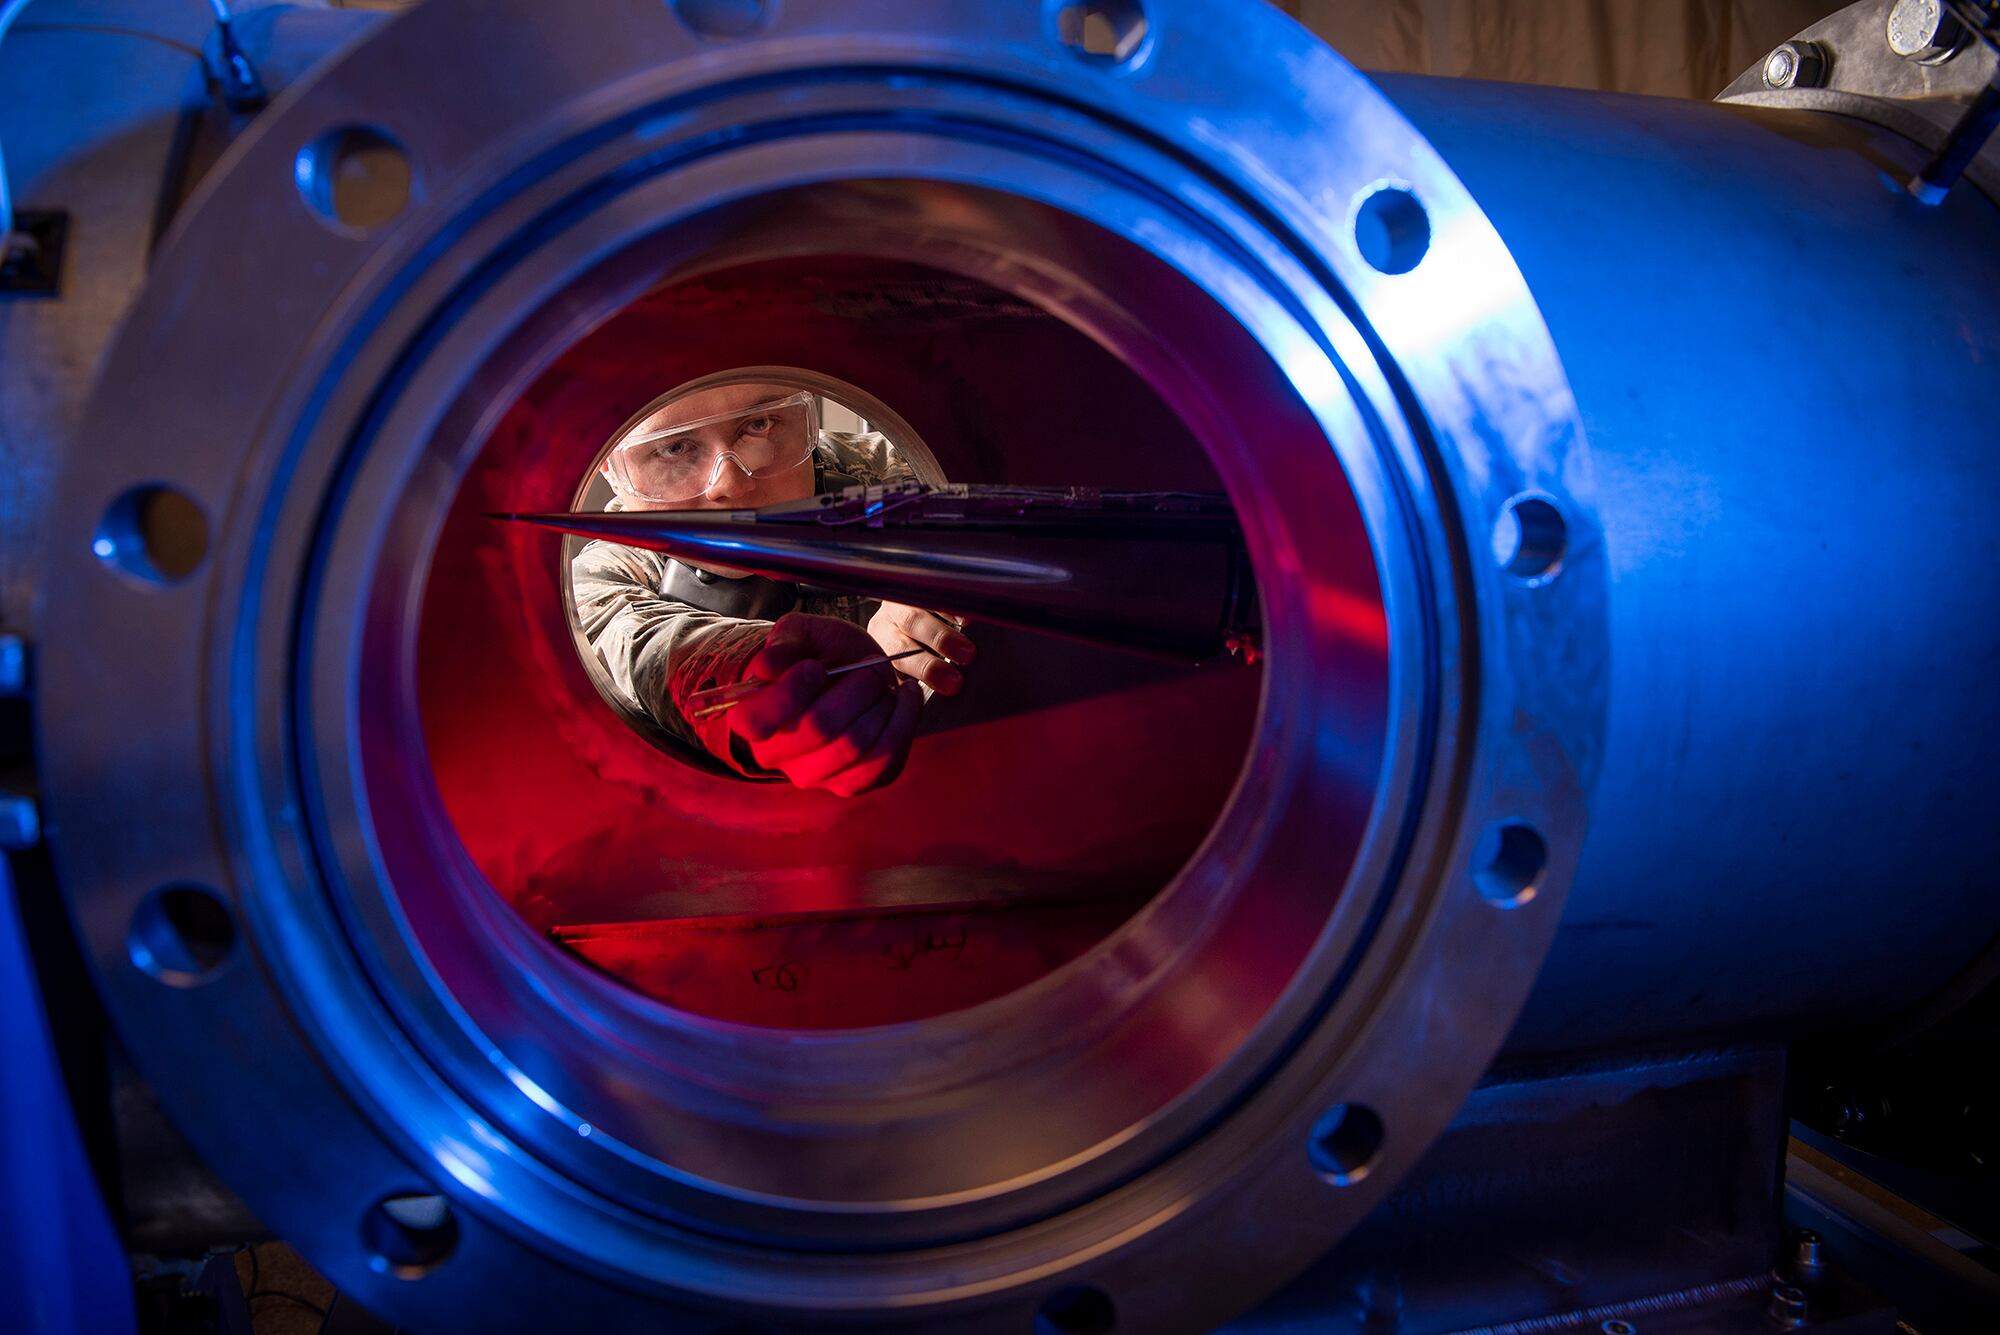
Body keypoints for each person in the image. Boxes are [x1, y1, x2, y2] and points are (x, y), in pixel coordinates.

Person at [570, 380, 976, 796]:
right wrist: (770, 682)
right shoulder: (600, 585)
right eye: (674, 448)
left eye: (760, 425)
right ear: (610, 467)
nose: (730, 484)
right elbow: (652, 648)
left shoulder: (903, 469)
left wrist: (942, 576)